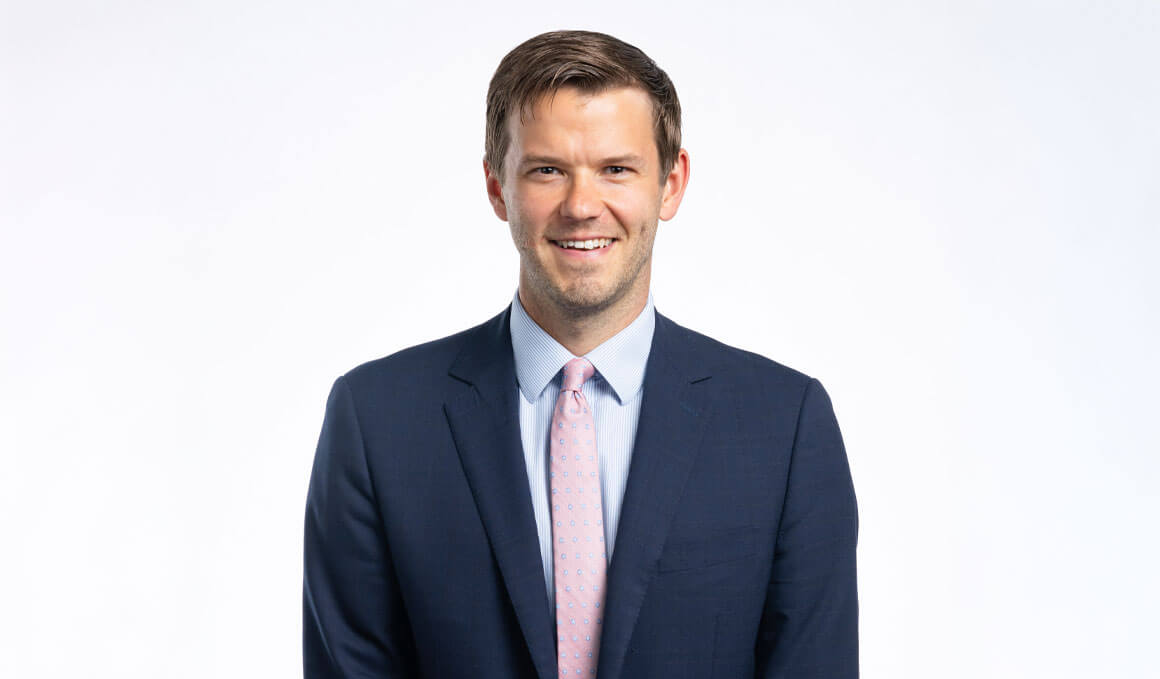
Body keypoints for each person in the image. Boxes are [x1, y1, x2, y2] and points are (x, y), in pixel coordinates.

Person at [303, 29, 858, 679]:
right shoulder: (377, 420)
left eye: (616, 169)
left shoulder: (783, 425)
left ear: (671, 183)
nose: (582, 206)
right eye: (547, 170)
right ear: (497, 187)